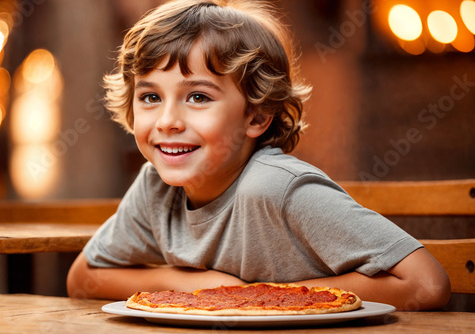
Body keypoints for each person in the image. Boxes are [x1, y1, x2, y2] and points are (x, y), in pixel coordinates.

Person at [67, 0, 450, 310]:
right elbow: (82, 278)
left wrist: (258, 298)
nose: (167, 121)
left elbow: (427, 283)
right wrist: (195, 285)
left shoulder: (277, 188)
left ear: (257, 115)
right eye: (151, 97)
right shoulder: (155, 187)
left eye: (198, 97)